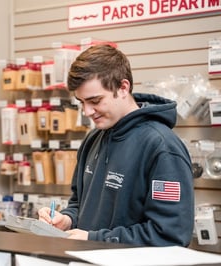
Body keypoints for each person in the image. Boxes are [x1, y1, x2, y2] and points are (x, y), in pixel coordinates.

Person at [38, 44, 194, 247]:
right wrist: (67, 220)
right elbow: (79, 204)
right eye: (81, 102)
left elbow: (169, 236)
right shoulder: (93, 140)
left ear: (123, 88)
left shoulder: (162, 147)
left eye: (95, 100)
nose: (87, 111)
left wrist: (95, 239)